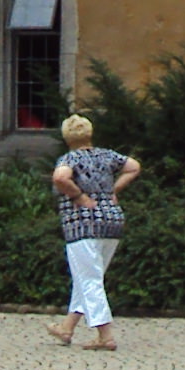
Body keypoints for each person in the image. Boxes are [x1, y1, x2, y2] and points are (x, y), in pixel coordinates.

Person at [46, 114, 140, 352]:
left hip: (82, 225)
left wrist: (79, 196)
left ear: (67, 137)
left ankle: (105, 334)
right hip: (112, 222)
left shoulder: (69, 158)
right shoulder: (106, 155)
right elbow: (133, 167)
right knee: (88, 276)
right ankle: (67, 327)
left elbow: (60, 177)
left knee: (89, 280)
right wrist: (113, 189)